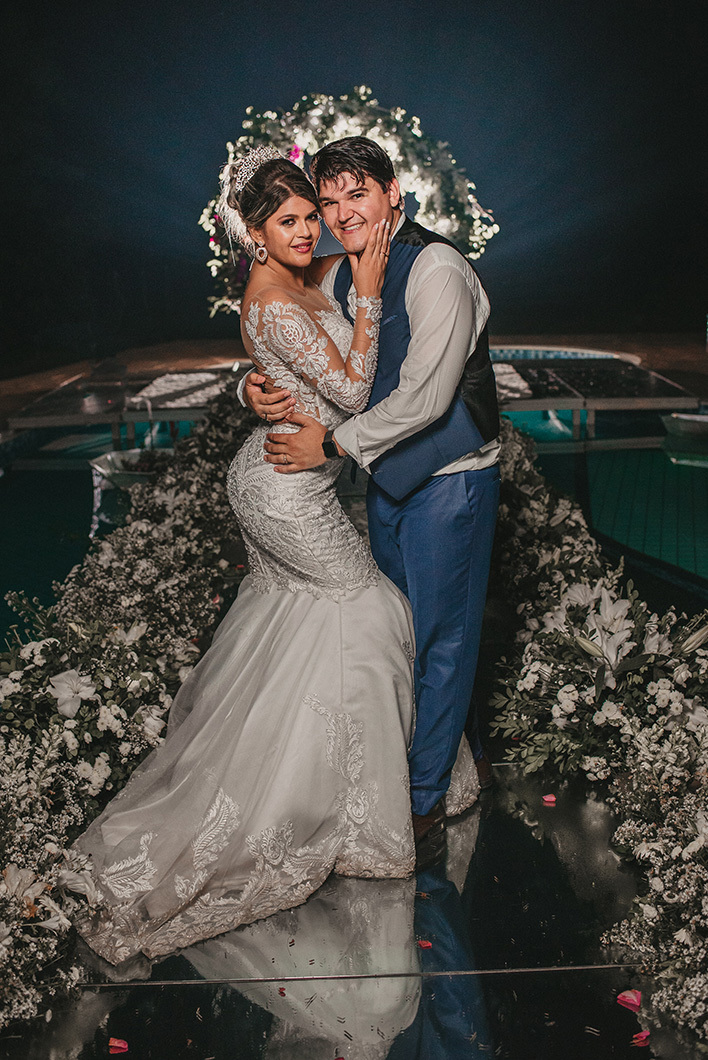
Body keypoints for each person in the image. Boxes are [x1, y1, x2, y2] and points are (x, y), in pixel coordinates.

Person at [72, 148, 478, 967]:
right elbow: (348, 387)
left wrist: (248, 382)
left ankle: (325, 782)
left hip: (295, 476)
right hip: (283, 486)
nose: (310, 230)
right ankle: (346, 808)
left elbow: (287, 349)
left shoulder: (322, 270)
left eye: (313, 215)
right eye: (289, 220)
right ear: (254, 235)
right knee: (371, 613)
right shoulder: (289, 288)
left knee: (308, 628)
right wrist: (367, 295)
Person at [242, 136, 500, 849]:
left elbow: (425, 398)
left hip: (450, 478)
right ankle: (463, 752)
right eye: (328, 202)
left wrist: (329, 444)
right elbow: (285, 325)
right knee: (404, 634)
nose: (340, 213)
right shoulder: (343, 270)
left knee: (442, 640)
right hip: (390, 478)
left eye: (358, 194)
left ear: (394, 194)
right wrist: (251, 386)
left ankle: (422, 798)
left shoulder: (438, 269)